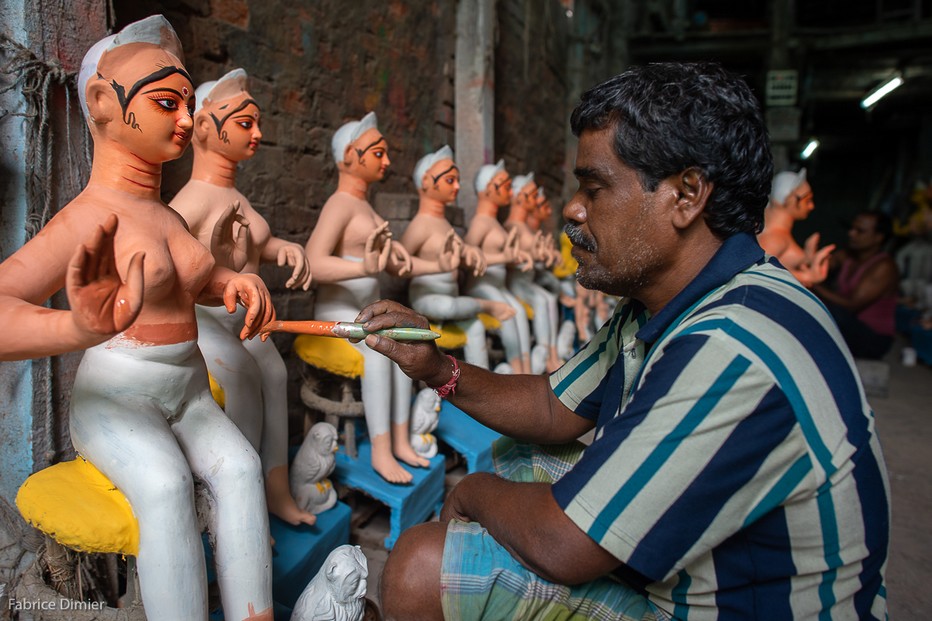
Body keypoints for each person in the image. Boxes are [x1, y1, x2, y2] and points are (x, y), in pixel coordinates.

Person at [358, 62, 890, 620]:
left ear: (686, 195)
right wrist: (437, 367)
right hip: (705, 565)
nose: (572, 209)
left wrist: (471, 494)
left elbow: (566, 544)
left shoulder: (734, 346)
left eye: (595, 187)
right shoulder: (667, 296)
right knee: (520, 458)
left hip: (736, 606)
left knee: (422, 562)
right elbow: (551, 406)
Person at [0, 16, 275, 621]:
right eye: (165, 102)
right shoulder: (89, 217)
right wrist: (75, 329)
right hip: (120, 399)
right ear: (104, 103)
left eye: (184, 102)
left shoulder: (167, 215)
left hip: (189, 389)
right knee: (165, 486)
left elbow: (193, 282)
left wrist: (234, 282)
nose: (184, 118)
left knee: (241, 468)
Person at [169, 68, 316, 527]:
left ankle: (275, 491)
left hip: (248, 317)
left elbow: (253, 246)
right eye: (246, 124)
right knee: (244, 383)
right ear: (209, 129)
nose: (258, 133)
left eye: (256, 123)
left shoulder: (233, 192)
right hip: (208, 319)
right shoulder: (190, 201)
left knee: (275, 375)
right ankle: (240, 509)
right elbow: (172, 262)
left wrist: (282, 248)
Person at [303, 111, 449, 484]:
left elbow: (394, 262)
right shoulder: (339, 204)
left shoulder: (365, 207)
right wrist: (365, 267)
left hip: (363, 313)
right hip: (337, 312)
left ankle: (400, 440)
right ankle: (382, 451)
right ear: (351, 154)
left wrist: (419, 263)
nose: (386, 161)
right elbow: (314, 263)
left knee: (402, 348)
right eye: (378, 153)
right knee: (377, 350)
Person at [400, 145, 515, 371]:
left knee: (475, 328)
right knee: (447, 308)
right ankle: (485, 305)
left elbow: (461, 254)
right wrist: (435, 266)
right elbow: (397, 264)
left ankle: (481, 383)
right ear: (426, 181)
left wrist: (471, 254)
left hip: (453, 295)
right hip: (428, 297)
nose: (457, 186)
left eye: (457, 180)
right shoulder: (420, 224)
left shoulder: (444, 224)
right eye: (450, 180)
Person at [464, 160, 534, 374]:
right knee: (511, 314)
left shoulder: (493, 222)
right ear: (487, 190)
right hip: (482, 285)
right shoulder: (480, 222)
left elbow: (503, 255)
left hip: (499, 284)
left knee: (520, 312)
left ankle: (526, 369)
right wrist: (503, 256)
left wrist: (516, 257)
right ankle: (517, 369)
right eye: (504, 186)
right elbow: (467, 257)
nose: (509, 191)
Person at [814, 211, 900, 360]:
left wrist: (813, 284)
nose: (851, 234)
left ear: (878, 237)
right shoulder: (847, 256)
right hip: (850, 327)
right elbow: (818, 265)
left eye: (860, 231)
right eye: (851, 228)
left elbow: (852, 305)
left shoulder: (884, 266)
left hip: (874, 339)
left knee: (832, 313)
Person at [505, 173, 562, 372]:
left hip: (527, 281)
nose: (535, 201)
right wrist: (535, 254)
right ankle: (544, 354)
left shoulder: (524, 228)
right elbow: (511, 256)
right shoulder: (512, 227)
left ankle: (551, 352)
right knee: (542, 300)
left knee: (548, 298)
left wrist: (543, 253)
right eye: (531, 196)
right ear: (519, 197)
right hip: (517, 283)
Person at [758, 168, 835, 287]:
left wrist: (808, 258)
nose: (811, 206)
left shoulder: (779, 234)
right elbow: (758, 271)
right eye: (807, 200)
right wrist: (806, 276)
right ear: (790, 199)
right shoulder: (775, 238)